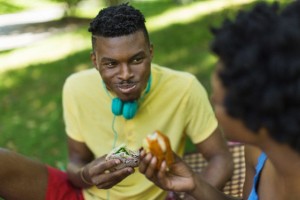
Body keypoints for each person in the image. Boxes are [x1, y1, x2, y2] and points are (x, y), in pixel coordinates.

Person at [0, 3, 233, 200]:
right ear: (95, 61)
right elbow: (76, 162)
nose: (125, 74)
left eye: (136, 59)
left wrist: (188, 196)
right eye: (111, 64)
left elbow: (220, 157)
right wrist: (87, 175)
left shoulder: (185, 88)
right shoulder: (76, 87)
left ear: (150, 52)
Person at [139, 1, 300, 200]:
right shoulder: (257, 152)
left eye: (218, 102)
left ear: (259, 113)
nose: (212, 100)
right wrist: (195, 183)